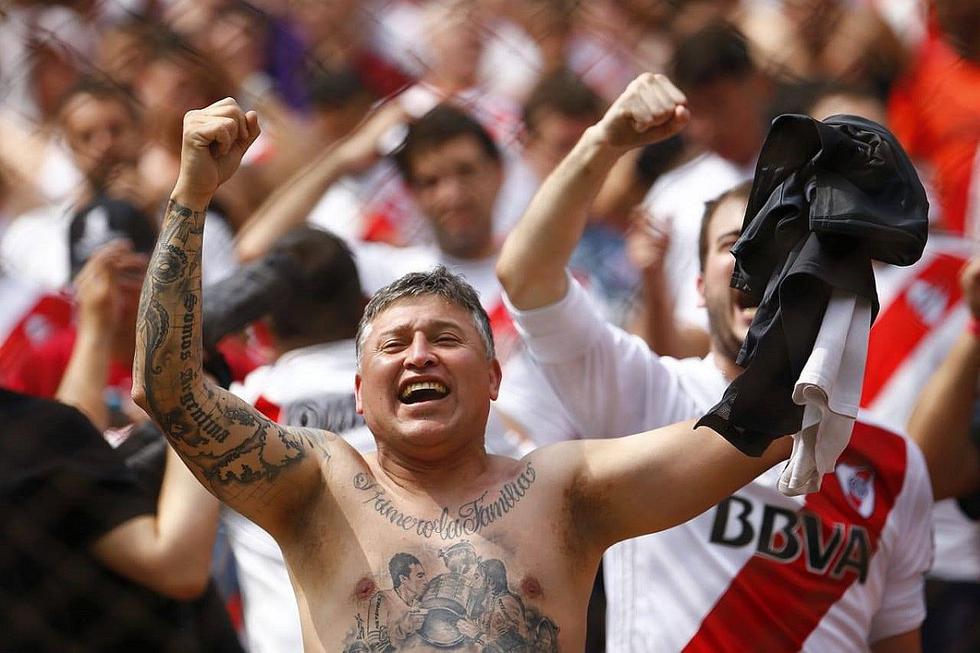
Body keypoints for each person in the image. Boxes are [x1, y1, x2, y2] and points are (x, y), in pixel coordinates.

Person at [132, 77, 794, 652]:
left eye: (446, 339)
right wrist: (191, 195)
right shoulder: (314, 486)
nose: (419, 352)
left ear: (495, 376)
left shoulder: (567, 489)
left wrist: (824, 268)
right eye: (394, 345)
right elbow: (169, 393)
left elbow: (764, 423)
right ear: (360, 393)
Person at [495, 77, 934, 651]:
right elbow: (527, 277)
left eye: (788, 246)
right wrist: (604, 142)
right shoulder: (645, 398)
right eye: (737, 245)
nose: (759, 267)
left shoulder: (897, 463)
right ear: (698, 287)